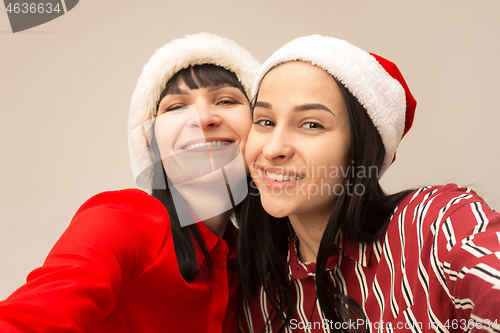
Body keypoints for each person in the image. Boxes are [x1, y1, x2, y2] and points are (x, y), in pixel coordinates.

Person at [237, 35, 500, 333]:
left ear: (362, 149)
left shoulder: (436, 224)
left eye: (311, 124)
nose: (273, 149)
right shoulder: (257, 302)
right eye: (265, 121)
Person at [0, 32, 260, 333]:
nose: (203, 117)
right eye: (176, 108)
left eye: (226, 100)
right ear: (151, 145)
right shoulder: (122, 220)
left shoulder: (254, 266)